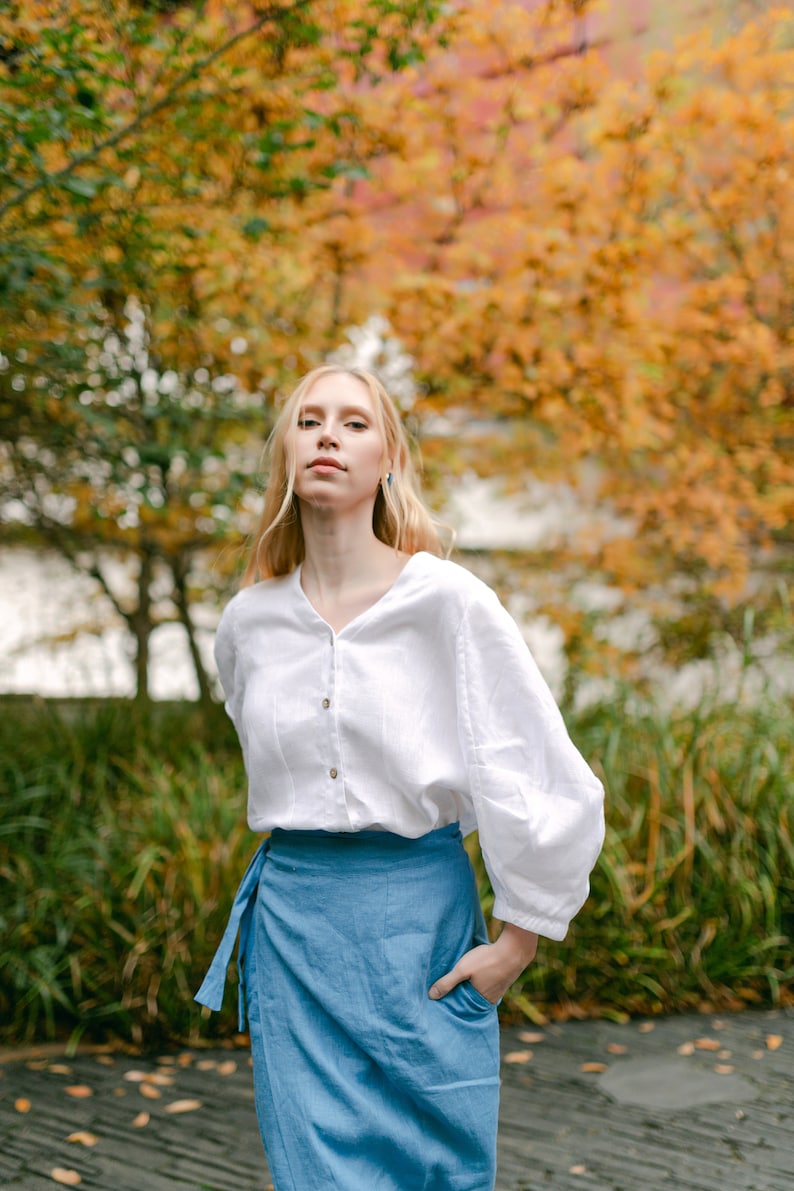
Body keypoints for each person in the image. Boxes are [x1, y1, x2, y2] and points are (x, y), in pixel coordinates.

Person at [195, 364, 605, 1191]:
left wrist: (518, 938)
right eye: (309, 421)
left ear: (388, 459)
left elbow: (530, 758)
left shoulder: (448, 603)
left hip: (422, 928)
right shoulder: (250, 622)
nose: (328, 437)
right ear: (285, 454)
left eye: (353, 423)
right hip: (295, 936)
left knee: (437, 1172)